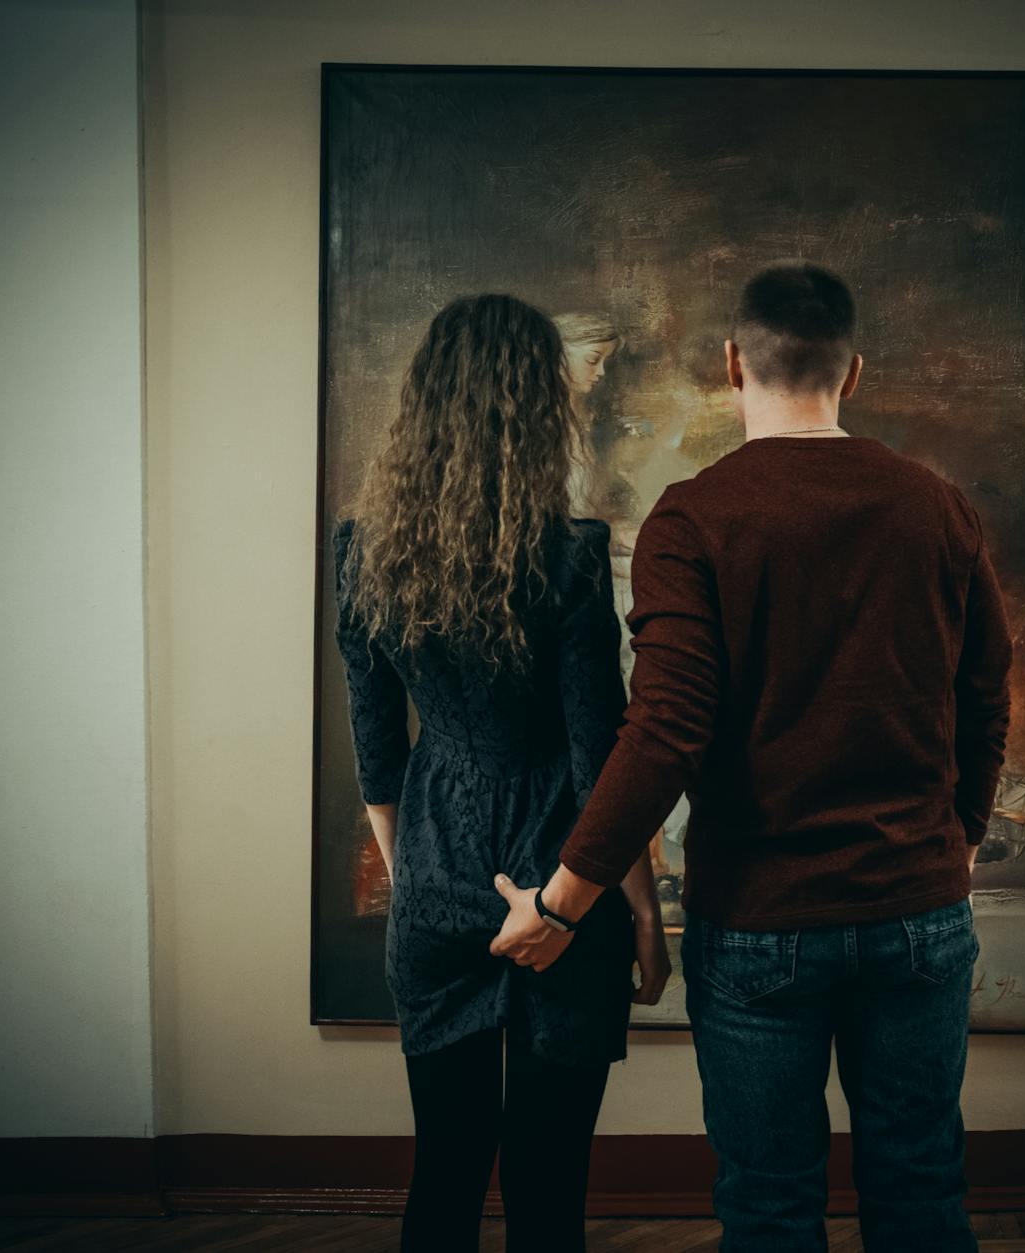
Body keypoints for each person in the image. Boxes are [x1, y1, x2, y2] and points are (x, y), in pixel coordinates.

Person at [492, 263, 1015, 1251]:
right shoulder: (936, 507)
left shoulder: (693, 519)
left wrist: (561, 903)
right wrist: (961, 837)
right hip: (918, 913)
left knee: (770, 1203)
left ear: (732, 363)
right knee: (920, 1187)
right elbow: (985, 693)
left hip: (761, 926)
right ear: (851, 371)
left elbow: (663, 734)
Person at [335, 293, 670, 1253]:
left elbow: (377, 748)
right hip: (568, 881)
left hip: (438, 877)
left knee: (443, 1171)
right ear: (536, 408)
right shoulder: (566, 556)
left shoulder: (364, 556)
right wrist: (642, 911)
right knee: (547, 1181)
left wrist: (416, 887)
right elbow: (598, 749)